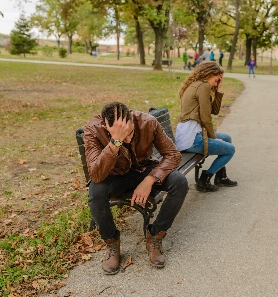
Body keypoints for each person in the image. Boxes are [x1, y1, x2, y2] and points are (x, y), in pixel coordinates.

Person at [84, 102, 188, 274]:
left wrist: (150, 179)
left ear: (132, 118)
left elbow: (173, 155)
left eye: (129, 132)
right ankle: (112, 243)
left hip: (144, 169)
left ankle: (155, 235)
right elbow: (96, 175)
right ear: (105, 126)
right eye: (120, 136)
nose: (127, 140)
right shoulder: (94, 129)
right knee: (96, 192)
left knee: (179, 181)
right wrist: (114, 142)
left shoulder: (147, 122)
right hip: (114, 174)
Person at [175, 62, 238, 192]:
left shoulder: (198, 85)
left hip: (191, 134)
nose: (216, 84)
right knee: (230, 149)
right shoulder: (202, 86)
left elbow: (213, 111)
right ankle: (205, 179)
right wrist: (213, 138)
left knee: (226, 138)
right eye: (216, 80)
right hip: (192, 139)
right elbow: (205, 118)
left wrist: (219, 90)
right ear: (209, 74)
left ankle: (221, 177)